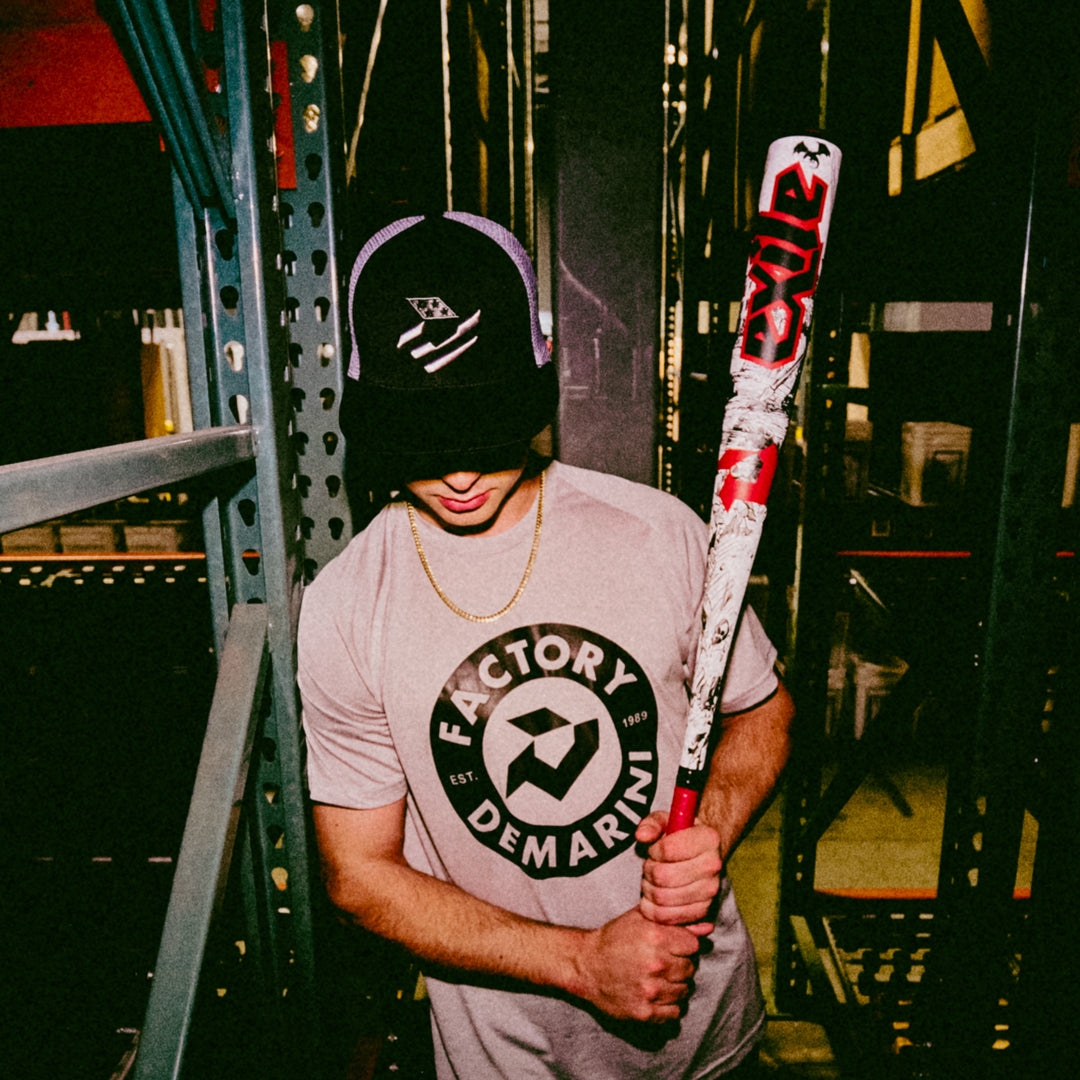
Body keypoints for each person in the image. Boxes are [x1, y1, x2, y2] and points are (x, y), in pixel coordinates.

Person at [298, 212, 794, 1079]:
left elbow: (763, 713)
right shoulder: (346, 604)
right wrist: (581, 963)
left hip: (709, 1042)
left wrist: (710, 831)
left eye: (484, 430)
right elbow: (360, 875)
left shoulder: (658, 534)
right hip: (509, 1061)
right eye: (424, 439)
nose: (459, 474)